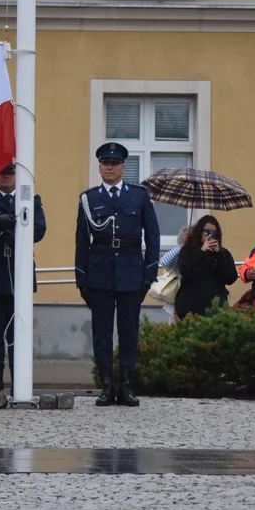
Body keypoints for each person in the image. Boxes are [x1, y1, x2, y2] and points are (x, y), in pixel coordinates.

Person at [75, 142, 160, 407]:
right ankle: (106, 387)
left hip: (131, 271)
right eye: (105, 163)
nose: (109, 168)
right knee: (101, 333)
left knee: (129, 332)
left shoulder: (139, 196)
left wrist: (149, 273)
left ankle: (125, 386)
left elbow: (153, 237)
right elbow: (81, 241)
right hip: (99, 272)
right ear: (99, 167)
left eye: (114, 164)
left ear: (123, 168)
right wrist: (81, 278)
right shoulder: (89, 199)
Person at [0, 164, 47, 393]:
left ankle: (19, 384)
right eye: (2, 172)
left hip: (18, 268)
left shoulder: (29, 199)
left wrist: (10, 232)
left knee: (18, 333)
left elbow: (39, 229)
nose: (6, 176)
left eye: (10, 172)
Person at [172, 215, 237, 318]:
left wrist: (219, 256)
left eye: (213, 233)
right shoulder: (188, 251)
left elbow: (231, 278)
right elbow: (187, 272)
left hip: (216, 306)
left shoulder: (223, 253)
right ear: (199, 232)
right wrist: (201, 252)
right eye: (206, 232)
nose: (209, 236)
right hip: (191, 305)